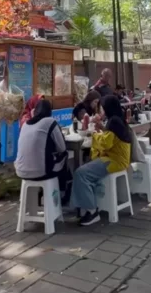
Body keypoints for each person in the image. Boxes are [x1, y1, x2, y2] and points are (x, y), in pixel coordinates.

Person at [70, 95, 131, 226]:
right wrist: (102, 129)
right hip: (116, 157)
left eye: (102, 108)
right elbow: (112, 137)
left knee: (81, 173)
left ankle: (92, 211)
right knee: (85, 170)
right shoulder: (117, 119)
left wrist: (94, 134)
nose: (101, 111)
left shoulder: (113, 121)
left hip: (114, 160)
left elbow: (106, 143)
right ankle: (86, 205)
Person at [15, 99, 70, 204]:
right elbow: (62, 148)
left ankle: (42, 195)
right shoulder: (49, 122)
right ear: (50, 112)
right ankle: (62, 194)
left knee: (47, 159)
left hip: (20, 170)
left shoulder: (25, 124)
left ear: (34, 111)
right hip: (41, 172)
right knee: (64, 156)